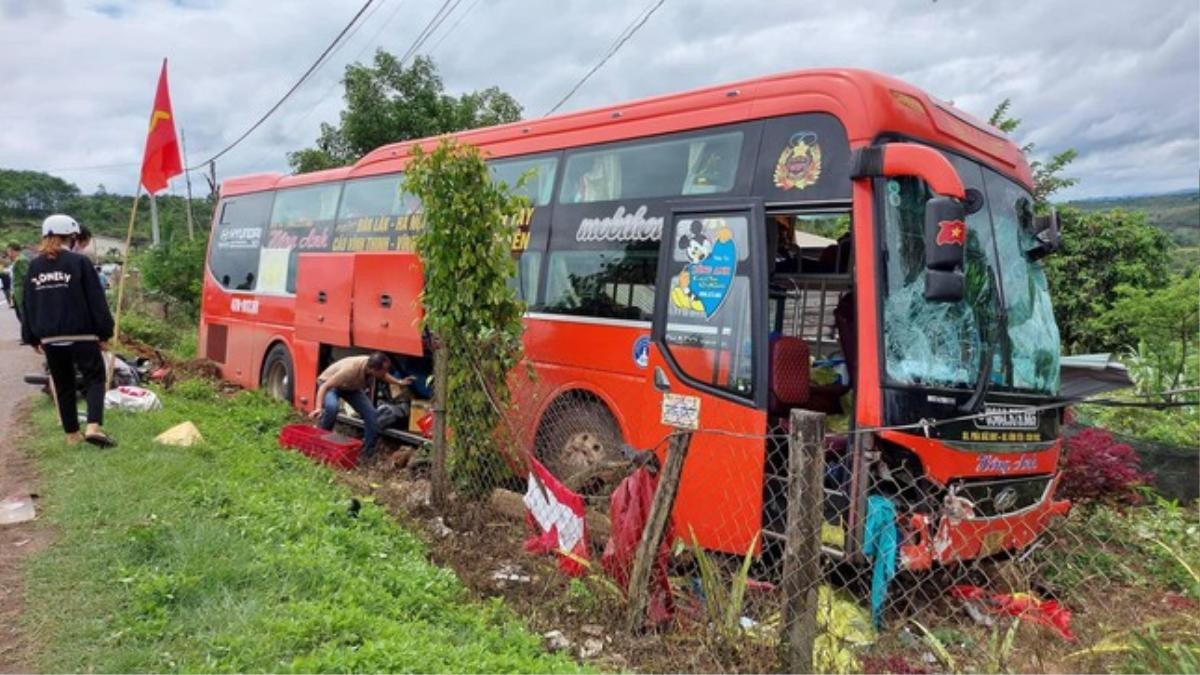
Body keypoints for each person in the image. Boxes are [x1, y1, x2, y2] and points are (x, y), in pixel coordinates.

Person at [21, 214, 116, 447]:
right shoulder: (79, 262)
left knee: (63, 385)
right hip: (82, 334)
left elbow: (28, 304)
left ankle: (72, 436)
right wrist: (104, 333)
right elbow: (96, 300)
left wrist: (31, 337)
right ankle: (93, 426)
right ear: (72, 238)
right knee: (95, 377)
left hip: (51, 337)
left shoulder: (34, 266)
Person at [309, 352, 413, 460]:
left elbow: (383, 375)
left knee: (372, 416)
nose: (386, 373)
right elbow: (324, 387)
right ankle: (320, 441)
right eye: (384, 370)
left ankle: (367, 454)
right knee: (332, 408)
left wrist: (399, 382)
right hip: (330, 385)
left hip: (350, 387)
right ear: (373, 370)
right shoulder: (350, 370)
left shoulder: (372, 365)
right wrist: (318, 408)